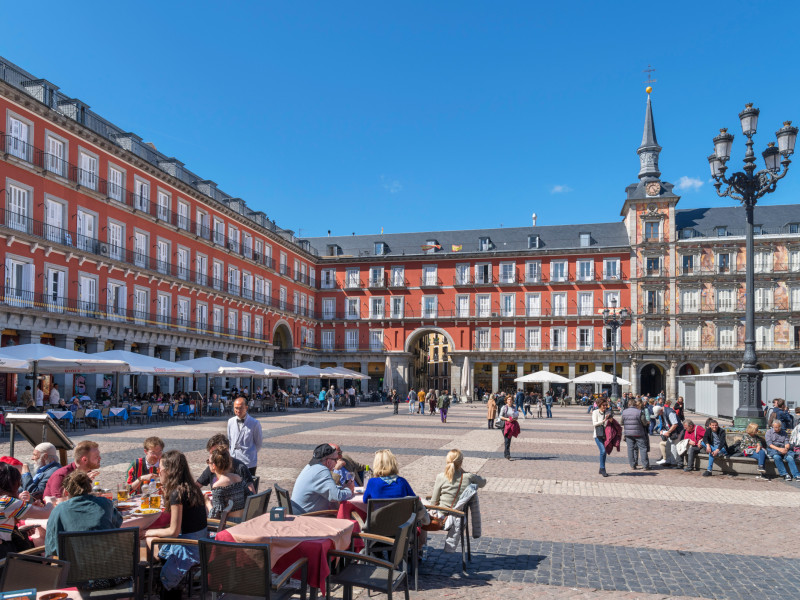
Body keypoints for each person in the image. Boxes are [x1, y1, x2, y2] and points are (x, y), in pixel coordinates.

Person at [145, 451, 208, 598]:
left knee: (147, 540)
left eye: (159, 468)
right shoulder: (193, 488)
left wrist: (149, 532)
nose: (158, 471)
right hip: (200, 542)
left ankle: (160, 582)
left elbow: (173, 531)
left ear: (168, 470)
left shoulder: (177, 493)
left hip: (188, 546)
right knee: (152, 539)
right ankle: (165, 578)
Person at [44, 470, 122, 557]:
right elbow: (117, 524)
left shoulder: (59, 510)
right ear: (89, 487)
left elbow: (52, 547)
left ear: (66, 492)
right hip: (109, 566)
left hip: (74, 568)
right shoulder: (105, 503)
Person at [0, 462, 54, 559]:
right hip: (5, 557)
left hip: (6, 554)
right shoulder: (5, 502)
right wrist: (49, 500)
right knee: (48, 557)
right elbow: (47, 513)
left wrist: (20, 530)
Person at [290, 444, 354, 514]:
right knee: (345, 515)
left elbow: (325, 488)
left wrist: (341, 488)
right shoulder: (321, 470)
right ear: (328, 461)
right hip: (307, 515)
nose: (336, 463)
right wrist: (349, 490)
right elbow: (336, 496)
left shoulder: (311, 466)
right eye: (336, 460)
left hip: (299, 510)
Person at [205, 448, 250, 520]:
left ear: (214, 466)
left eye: (208, 462)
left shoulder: (218, 486)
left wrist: (207, 503)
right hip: (242, 520)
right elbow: (249, 496)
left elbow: (215, 517)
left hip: (229, 524)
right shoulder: (238, 478)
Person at [227, 397, 262, 476]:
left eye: (241, 408)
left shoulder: (254, 423)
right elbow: (230, 440)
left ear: (246, 408)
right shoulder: (230, 422)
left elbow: (258, 443)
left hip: (248, 461)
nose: (238, 410)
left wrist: (249, 452)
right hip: (233, 460)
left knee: (249, 486)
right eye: (236, 408)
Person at [620, 399, 649, 472]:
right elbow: (644, 423)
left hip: (628, 434)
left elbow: (621, 422)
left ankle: (632, 465)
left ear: (628, 405)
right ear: (635, 405)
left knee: (630, 449)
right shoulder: (639, 412)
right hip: (639, 433)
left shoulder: (624, 412)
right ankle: (645, 466)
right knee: (643, 448)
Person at [657, 400, 685, 467]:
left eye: (658, 414)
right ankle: (668, 461)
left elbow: (675, 424)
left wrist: (668, 432)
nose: (658, 415)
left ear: (661, 410)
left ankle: (674, 462)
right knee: (668, 445)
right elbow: (666, 424)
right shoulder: (663, 413)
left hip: (677, 431)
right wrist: (663, 431)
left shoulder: (670, 412)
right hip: (672, 432)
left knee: (673, 446)